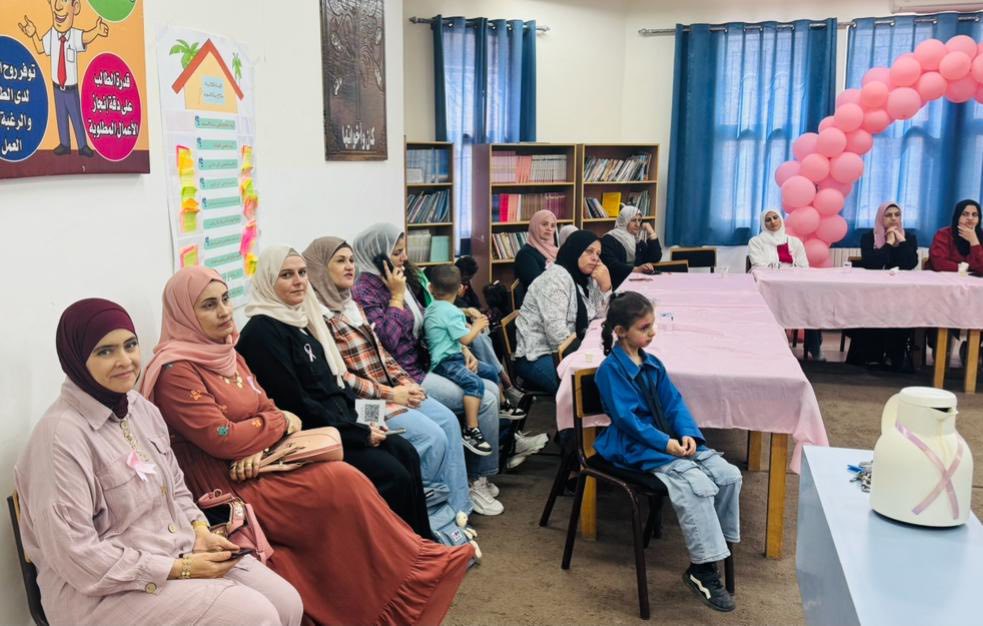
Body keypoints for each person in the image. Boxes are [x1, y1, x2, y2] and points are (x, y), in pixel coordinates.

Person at [144, 267, 475, 624]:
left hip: (262, 459)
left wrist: (268, 429)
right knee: (341, 485)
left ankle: (399, 579)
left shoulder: (230, 350)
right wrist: (277, 424)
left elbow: (274, 408)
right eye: (209, 305)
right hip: (222, 482)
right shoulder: (178, 371)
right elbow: (222, 437)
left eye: (225, 299)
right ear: (183, 313)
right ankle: (378, 599)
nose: (224, 311)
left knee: (357, 474)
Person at [15, 298, 303, 626]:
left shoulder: (139, 409)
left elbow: (176, 488)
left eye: (130, 345)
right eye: (105, 352)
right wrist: (179, 569)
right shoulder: (59, 439)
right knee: (256, 615)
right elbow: (76, 556)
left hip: (173, 550)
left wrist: (198, 530)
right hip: (98, 594)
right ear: (76, 359)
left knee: (287, 603)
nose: (124, 361)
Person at [236, 246, 433, 538]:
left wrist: (368, 420)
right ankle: (401, 552)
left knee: (406, 452)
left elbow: (335, 385)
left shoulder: (302, 320)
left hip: (344, 423)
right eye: (286, 275)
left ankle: (423, 543)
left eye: (302, 273)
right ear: (267, 280)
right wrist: (358, 433)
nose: (299, 281)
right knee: (393, 474)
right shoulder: (261, 333)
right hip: (316, 434)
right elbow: (297, 405)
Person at [302, 236, 475, 519]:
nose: (350, 266)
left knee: (448, 421)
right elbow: (342, 378)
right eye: (340, 261)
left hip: (393, 389)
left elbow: (383, 354)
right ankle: (429, 519)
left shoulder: (350, 304)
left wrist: (406, 382)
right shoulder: (318, 317)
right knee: (431, 437)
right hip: (362, 404)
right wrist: (393, 393)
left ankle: (458, 511)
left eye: (351, 260)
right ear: (320, 267)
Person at [595, 291, 741, 613]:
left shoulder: (653, 363)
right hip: (633, 447)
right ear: (620, 331)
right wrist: (666, 443)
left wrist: (687, 434)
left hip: (666, 440)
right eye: (644, 328)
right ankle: (703, 567)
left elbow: (674, 403)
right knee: (695, 484)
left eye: (652, 325)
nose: (652, 332)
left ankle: (716, 552)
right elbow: (628, 421)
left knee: (728, 476)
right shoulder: (609, 371)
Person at [351, 223, 505, 515]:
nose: (404, 258)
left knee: (490, 388)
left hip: (424, 361)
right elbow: (387, 341)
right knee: (484, 399)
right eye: (397, 252)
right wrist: (396, 297)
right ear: (376, 255)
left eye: (403, 250)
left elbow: (427, 320)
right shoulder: (366, 290)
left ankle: (479, 477)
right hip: (405, 375)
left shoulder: (397, 279)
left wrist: (460, 349)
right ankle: (476, 482)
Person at [514, 230, 612, 394]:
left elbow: (599, 318)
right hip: (539, 354)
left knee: (609, 372)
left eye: (598, 254)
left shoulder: (585, 278)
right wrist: (587, 356)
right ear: (575, 250)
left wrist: (605, 287)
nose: (595, 258)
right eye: (589, 251)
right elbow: (557, 335)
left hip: (568, 347)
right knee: (589, 389)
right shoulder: (555, 279)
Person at [425, 264, 503, 456]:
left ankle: (503, 404)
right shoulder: (451, 312)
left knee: (489, 371)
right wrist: (477, 325)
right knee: (474, 383)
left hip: (453, 358)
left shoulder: (433, 307)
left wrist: (467, 314)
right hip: (446, 361)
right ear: (460, 288)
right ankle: (471, 429)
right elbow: (466, 339)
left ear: (431, 288)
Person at [17, 1, 106, 157]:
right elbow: (40, 48)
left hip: (71, 88)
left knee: (76, 116)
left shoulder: (74, 35)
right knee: (61, 116)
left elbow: (85, 37)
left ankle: (82, 145)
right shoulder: (52, 35)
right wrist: (33, 34)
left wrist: (97, 31)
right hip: (57, 87)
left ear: (75, 7)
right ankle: (65, 144)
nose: (57, 7)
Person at [847, 202, 918, 370]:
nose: (893, 219)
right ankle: (870, 356)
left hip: (899, 293)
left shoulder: (909, 237)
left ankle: (894, 357)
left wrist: (902, 242)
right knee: (872, 309)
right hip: (872, 292)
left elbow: (910, 264)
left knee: (902, 312)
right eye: (888, 215)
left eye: (897, 215)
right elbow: (873, 264)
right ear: (880, 218)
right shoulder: (868, 237)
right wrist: (888, 243)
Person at [747, 210, 823, 360]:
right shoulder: (756, 242)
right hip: (768, 288)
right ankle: (770, 349)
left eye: (775, 217)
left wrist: (778, 267)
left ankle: (815, 349)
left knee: (811, 305)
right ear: (763, 223)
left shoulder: (794, 242)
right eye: (768, 220)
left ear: (781, 219)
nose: (773, 222)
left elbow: (803, 266)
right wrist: (787, 267)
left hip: (794, 286)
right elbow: (759, 266)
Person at [600, 206, 663, 289]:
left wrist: (651, 232)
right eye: (633, 220)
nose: (637, 224)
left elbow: (655, 257)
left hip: (637, 284)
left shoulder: (637, 240)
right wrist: (635, 269)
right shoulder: (608, 239)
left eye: (639, 220)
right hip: (616, 286)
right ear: (624, 221)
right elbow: (611, 265)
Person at [513, 209, 559, 307]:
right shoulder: (525, 255)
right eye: (544, 224)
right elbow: (537, 286)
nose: (549, 228)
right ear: (534, 226)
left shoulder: (556, 251)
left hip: (557, 301)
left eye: (552, 226)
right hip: (537, 306)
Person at [928, 199, 983, 275]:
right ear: (957, 216)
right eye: (965, 214)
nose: (970, 218)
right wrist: (968, 267)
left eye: (974, 215)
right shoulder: (944, 234)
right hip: (941, 278)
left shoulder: (981, 236)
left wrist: (974, 241)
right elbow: (939, 264)